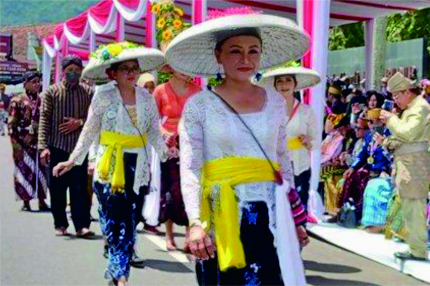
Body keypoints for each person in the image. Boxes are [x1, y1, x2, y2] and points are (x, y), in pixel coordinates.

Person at [165, 8, 309, 285]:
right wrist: (195, 223)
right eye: (235, 51)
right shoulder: (199, 106)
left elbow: (282, 161)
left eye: (253, 51)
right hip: (219, 213)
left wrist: (295, 217)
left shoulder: (275, 102)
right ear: (218, 55)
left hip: (269, 211)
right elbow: (191, 168)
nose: (245, 59)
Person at [52, 42, 167, 286]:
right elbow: (90, 130)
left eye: (134, 68)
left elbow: (154, 132)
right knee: (114, 221)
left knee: (130, 222)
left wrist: (168, 153)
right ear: (111, 74)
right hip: (109, 167)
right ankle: (120, 274)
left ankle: (119, 274)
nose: (131, 73)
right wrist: (74, 160)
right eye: (125, 68)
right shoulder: (103, 96)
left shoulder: (147, 98)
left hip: (138, 169)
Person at [38, 55, 94, 237]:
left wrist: (79, 122)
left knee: (80, 189)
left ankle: (81, 225)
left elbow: (96, 118)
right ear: (63, 71)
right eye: (70, 70)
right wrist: (43, 147)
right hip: (57, 146)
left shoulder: (88, 92)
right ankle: (60, 223)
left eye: (77, 71)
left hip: (80, 148)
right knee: (58, 188)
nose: (74, 73)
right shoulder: (52, 93)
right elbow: (44, 120)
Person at [379, 72, 430, 261]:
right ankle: (415, 247)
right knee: (409, 206)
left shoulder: (420, 107)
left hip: (415, 164)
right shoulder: (412, 108)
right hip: (408, 163)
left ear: (408, 92)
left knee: (414, 206)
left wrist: (391, 119)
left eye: (397, 95)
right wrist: (389, 141)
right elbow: (404, 137)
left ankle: (418, 250)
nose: (395, 100)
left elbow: (408, 134)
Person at [154, 66, 201, 251]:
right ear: (171, 68)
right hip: (167, 144)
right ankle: (169, 235)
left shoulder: (197, 91)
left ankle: (190, 235)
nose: (184, 70)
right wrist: (164, 133)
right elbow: (151, 118)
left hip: (190, 142)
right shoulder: (160, 90)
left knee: (191, 187)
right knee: (169, 190)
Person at [260, 67, 320, 209]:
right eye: (279, 81)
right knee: (276, 208)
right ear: (274, 86)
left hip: (299, 165)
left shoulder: (306, 110)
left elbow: (316, 140)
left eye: (288, 80)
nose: (284, 84)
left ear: (295, 84)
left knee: (298, 208)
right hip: (275, 166)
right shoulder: (266, 110)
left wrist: (308, 140)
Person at [8, 72, 50, 212]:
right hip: (23, 143)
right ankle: (26, 202)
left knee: (42, 173)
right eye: (34, 82)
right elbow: (11, 125)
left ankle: (42, 201)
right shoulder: (17, 101)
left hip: (40, 143)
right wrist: (16, 147)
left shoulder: (43, 100)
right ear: (25, 83)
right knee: (24, 172)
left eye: (39, 82)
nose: (37, 84)